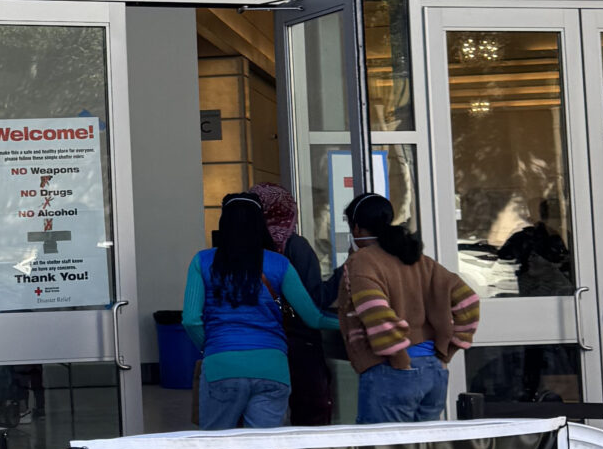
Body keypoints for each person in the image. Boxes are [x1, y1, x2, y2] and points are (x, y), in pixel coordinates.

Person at [181, 193, 340, 430]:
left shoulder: (202, 261)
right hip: (272, 367)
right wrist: (352, 324)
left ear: (224, 223)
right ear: (260, 224)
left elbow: (191, 320)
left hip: (221, 365)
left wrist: (213, 348)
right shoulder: (279, 264)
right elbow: (313, 318)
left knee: (216, 448)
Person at [340, 194, 482, 424]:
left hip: (391, 372)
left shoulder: (362, 261)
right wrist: (446, 353)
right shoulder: (418, 259)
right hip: (433, 372)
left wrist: (399, 360)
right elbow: (469, 301)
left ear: (356, 228)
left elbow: (375, 312)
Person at [247, 182, 340, 424]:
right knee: (309, 419)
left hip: (257, 347)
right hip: (299, 344)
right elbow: (314, 300)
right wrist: (344, 274)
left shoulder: (237, 250)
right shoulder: (295, 246)